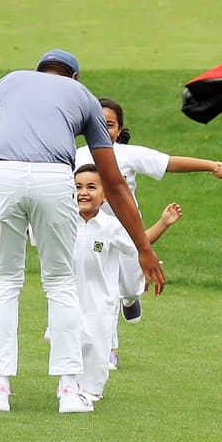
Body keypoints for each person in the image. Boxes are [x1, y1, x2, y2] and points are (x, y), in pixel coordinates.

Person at [0, 48, 166, 415]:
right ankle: (71, 388)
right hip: (55, 178)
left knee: (6, 281)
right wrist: (143, 248)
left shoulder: (6, 83)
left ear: (39, 72)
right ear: (73, 78)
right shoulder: (82, 96)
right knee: (60, 282)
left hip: (1, 176)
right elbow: (114, 184)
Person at [75, 96, 222, 365]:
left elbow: (169, 162)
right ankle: (109, 350)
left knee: (126, 288)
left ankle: (130, 300)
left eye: (111, 124)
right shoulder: (75, 155)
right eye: (99, 124)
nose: (105, 130)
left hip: (127, 230)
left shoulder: (129, 154)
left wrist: (213, 166)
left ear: (119, 129)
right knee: (100, 289)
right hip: (89, 230)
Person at [71, 164, 179, 401]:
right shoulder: (65, 222)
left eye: (91, 187)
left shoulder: (111, 226)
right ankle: (69, 385)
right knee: (71, 340)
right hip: (70, 296)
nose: (83, 192)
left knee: (97, 344)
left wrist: (163, 223)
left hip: (101, 299)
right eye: (78, 187)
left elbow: (140, 243)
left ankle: (92, 390)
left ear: (106, 195)